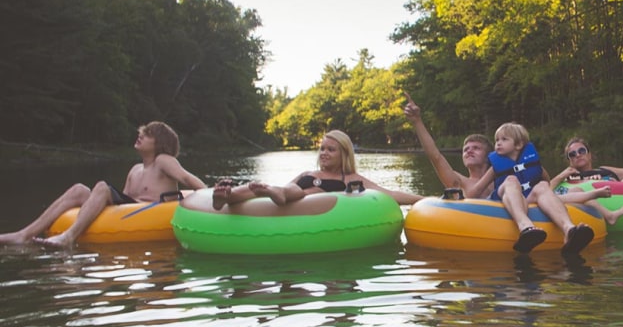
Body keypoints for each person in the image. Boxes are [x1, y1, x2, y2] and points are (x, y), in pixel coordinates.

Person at [403, 92, 623, 229]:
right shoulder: (459, 183)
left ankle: (573, 225)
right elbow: (435, 156)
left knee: (546, 190)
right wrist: (417, 122)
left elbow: (543, 180)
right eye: (465, 149)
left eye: (476, 148)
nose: (469, 151)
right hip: (482, 226)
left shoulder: (508, 171)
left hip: (529, 205)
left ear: (492, 155)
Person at [0, 121, 206, 250]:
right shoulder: (135, 169)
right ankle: (24, 235)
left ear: (160, 144)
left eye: (148, 134)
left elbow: (188, 179)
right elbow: (122, 206)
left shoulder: (163, 160)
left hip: (155, 209)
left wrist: (209, 196)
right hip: (134, 208)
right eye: (142, 131)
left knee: (101, 186)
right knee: (80, 189)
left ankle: (68, 237)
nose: (140, 134)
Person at [212, 129, 422, 209]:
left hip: (303, 198)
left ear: (344, 155)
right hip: (289, 191)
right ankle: (225, 196)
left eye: (331, 150)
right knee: (262, 188)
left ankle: (273, 192)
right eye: (322, 149)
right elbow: (290, 185)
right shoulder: (307, 174)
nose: (324, 153)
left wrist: (422, 199)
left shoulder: (349, 178)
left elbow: (390, 194)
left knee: (293, 192)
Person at [469, 122, 595, 254]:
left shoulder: (534, 165)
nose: (498, 143)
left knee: (542, 185)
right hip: (506, 201)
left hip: (528, 200)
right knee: (511, 180)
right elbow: (475, 191)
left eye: (504, 139)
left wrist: (553, 196)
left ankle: (569, 230)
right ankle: (526, 227)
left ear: (518, 144)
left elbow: (548, 184)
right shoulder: (495, 168)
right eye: (497, 140)